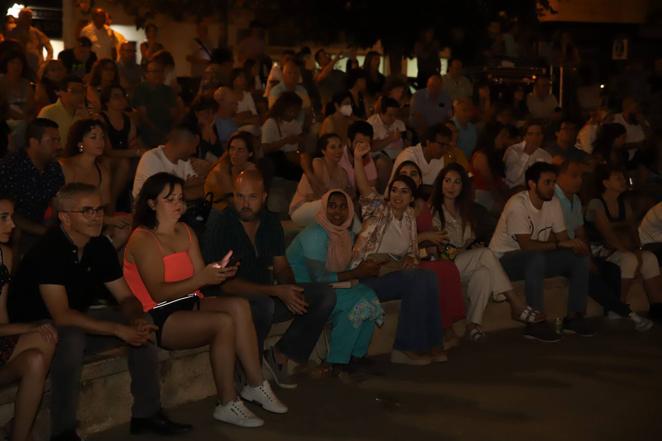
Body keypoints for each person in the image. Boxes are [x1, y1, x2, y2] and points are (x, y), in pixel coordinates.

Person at [7, 183, 191, 441]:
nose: (96, 217)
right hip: (36, 328)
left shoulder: (98, 246)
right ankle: (63, 431)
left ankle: (146, 414)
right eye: (87, 211)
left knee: (145, 323)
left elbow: (125, 296)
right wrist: (118, 329)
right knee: (71, 339)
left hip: (75, 318)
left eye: (99, 210)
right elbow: (62, 315)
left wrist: (134, 318)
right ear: (65, 217)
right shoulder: (49, 249)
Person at [124, 173, 286, 427]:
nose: (178, 204)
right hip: (159, 312)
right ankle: (227, 402)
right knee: (222, 323)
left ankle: (256, 383)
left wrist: (218, 272)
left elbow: (200, 277)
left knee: (240, 305)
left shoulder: (186, 231)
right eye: (170, 199)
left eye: (180, 197)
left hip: (188, 300)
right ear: (152, 203)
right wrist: (204, 277)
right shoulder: (143, 238)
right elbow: (159, 293)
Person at [202, 169, 337, 388]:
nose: (245, 203)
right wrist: (276, 291)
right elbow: (226, 285)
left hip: (265, 295)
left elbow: (281, 266)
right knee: (263, 305)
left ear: (264, 197)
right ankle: (246, 369)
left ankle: (280, 355)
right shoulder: (220, 226)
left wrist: (291, 290)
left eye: (252, 197)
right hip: (228, 302)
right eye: (239, 196)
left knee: (325, 295)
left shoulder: (270, 222)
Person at [349, 141, 444, 365]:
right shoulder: (379, 209)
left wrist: (411, 258)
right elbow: (364, 188)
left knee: (428, 276)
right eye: (394, 190)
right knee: (417, 280)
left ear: (412, 197)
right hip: (368, 276)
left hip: (391, 273)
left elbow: (411, 251)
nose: (397, 196)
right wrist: (358, 159)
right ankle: (404, 348)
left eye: (404, 192)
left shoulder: (410, 216)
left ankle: (431, 342)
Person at [429, 164, 545, 340]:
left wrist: (470, 247)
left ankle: (472, 324)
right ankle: (516, 303)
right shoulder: (433, 211)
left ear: (463, 186)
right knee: (485, 254)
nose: (451, 186)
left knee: (483, 273)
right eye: (447, 181)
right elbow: (442, 249)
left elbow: (467, 241)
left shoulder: (464, 211)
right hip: (445, 266)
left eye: (456, 182)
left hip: (463, 263)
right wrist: (466, 249)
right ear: (440, 183)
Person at [489, 162, 594, 342]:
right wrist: (561, 245)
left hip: (534, 258)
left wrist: (576, 246)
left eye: (554, 182)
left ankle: (575, 316)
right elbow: (526, 246)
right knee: (535, 257)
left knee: (578, 259)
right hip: (504, 261)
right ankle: (535, 322)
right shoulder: (518, 204)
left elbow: (562, 239)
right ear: (532, 184)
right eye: (547, 182)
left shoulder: (552, 203)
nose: (552, 187)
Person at [286, 190, 383, 372]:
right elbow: (319, 278)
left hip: (327, 287)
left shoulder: (344, 234)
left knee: (368, 295)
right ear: (323, 207)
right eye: (332, 206)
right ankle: (338, 359)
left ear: (349, 210)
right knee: (356, 300)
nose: (337, 212)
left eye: (342, 206)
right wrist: (357, 272)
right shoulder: (315, 234)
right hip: (304, 290)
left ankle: (356, 355)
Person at [555, 160, 653, 331]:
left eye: (580, 176)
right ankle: (619, 311)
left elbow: (581, 232)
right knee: (584, 269)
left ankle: (617, 308)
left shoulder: (576, 200)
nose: (579, 180)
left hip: (577, 248)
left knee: (611, 269)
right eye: (574, 176)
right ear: (559, 177)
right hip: (558, 248)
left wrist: (588, 257)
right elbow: (561, 235)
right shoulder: (554, 199)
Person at [0, 195, 57, 441]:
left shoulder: (5, 254)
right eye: (3, 218)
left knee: (43, 343)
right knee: (39, 330)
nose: (12, 225)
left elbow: (1, 315)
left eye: (11, 217)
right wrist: (28, 326)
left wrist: (33, 328)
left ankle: (19, 435)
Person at [585, 165, 662, 322]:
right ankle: (618, 306)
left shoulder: (623, 203)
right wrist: (630, 252)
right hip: (600, 249)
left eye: (623, 178)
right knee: (629, 259)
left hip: (621, 247)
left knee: (649, 258)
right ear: (605, 183)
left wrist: (638, 250)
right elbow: (607, 234)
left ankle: (657, 307)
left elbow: (633, 230)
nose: (623, 181)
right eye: (618, 178)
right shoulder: (596, 204)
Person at [0, 118, 64, 256]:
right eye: (52, 141)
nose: (58, 146)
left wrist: (53, 224)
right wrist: (43, 230)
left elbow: (57, 201)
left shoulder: (53, 167)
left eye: (58, 140)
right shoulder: (11, 167)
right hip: (13, 228)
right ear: (34, 142)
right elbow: (7, 211)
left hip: (42, 224)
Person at [290, 134, 352, 226]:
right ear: (323, 151)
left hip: (324, 210)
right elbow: (318, 193)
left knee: (344, 207)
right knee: (330, 205)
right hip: (302, 208)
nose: (338, 151)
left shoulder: (342, 172)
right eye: (333, 147)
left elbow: (345, 196)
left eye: (340, 146)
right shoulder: (318, 163)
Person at [133, 123, 206, 201]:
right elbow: (164, 196)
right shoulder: (151, 158)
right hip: (148, 210)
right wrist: (185, 186)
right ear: (183, 142)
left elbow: (199, 186)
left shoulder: (184, 160)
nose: (194, 151)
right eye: (193, 146)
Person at [471, 122, 519, 212]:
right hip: (483, 195)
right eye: (502, 136)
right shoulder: (481, 156)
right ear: (492, 137)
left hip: (494, 193)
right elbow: (490, 183)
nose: (504, 140)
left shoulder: (496, 155)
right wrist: (502, 201)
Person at [204, 131, 257, 212]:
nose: (235, 153)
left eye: (240, 150)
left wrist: (250, 173)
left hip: (233, 208)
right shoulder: (222, 169)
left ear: (250, 153)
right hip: (217, 210)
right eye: (232, 148)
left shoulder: (248, 167)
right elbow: (233, 200)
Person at [260, 91, 305, 182]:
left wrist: (299, 141)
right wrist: (285, 141)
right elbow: (264, 148)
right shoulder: (271, 123)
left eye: (297, 110)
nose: (294, 113)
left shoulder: (295, 124)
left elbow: (302, 146)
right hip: (278, 160)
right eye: (292, 110)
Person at [132, 59, 178, 147]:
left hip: (168, 130)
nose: (158, 74)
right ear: (147, 74)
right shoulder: (141, 90)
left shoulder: (168, 90)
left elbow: (174, 114)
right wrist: (160, 133)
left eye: (161, 71)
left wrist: (171, 132)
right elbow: (143, 116)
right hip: (148, 131)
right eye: (155, 71)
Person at [38, 76, 89, 147]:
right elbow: (41, 142)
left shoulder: (84, 113)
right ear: (61, 92)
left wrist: (87, 119)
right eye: (74, 91)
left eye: (82, 91)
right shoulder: (48, 112)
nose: (80, 95)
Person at [368, 97, 405, 188]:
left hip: (398, 156)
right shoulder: (371, 124)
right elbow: (371, 147)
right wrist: (391, 138)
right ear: (381, 113)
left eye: (395, 115)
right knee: (382, 163)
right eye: (390, 115)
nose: (393, 118)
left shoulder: (399, 123)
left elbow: (406, 143)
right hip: (379, 157)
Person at [503, 120, 552, 189]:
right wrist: (527, 154)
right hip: (511, 189)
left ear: (542, 136)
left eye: (538, 134)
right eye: (530, 134)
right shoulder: (513, 150)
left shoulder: (546, 156)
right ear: (524, 136)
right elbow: (511, 178)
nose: (534, 138)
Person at [7, 7, 52, 76]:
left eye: (28, 17)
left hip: (35, 69)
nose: (26, 19)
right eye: (24, 16)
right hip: (17, 69)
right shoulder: (12, 33)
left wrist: (45, 64)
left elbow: (50, 49)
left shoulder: (37, 33)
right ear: (19, 17)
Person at [409, 74, 452, 138]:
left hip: (438, 132)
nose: (433, 89)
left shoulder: (446, 97)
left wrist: (441, 130)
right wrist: (428, 133)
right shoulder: (418, 95)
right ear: (427, 84)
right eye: (431, 86)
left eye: (436, 86)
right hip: (419, 130)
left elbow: (447, 116)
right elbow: (417, 116)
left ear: (441, 87)